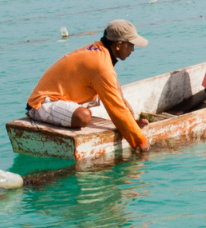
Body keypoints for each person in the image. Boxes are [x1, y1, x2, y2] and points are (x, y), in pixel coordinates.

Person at [26, 19, 150, 152]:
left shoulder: (99, 51)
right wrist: (141, 142)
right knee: (83, 116)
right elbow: (116, 108)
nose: (133, 49)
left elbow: (116, 90)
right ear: (118, 45)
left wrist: (131, 122)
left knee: (112, 90)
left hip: (64, 96)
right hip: (40, 104)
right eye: (131, 44)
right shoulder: (101, 66)